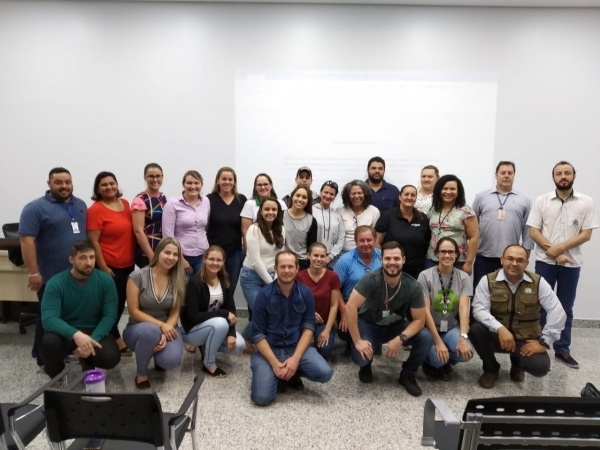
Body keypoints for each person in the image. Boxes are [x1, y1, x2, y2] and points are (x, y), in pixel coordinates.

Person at [526, 161, 598, 369]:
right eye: (559, 173)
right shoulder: (542, 201)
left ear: (574, 176)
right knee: (540, 304)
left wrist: (560, 249)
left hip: (572, 264)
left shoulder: (585, 201)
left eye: (567, 173)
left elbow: (586, 234)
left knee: (565, 307)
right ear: (553, 177)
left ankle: (562, 348)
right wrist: (555, 253)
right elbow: (533, 231)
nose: (563, 176)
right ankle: (538, 343)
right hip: (545, 262)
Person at [470, 244, 567, 389]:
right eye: (510, 258)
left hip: (525, 339)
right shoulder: (488, 280)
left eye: (520, 260)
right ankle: (491, 369)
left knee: (540, 367)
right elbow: (479, 309)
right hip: (498, 336)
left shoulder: (538, 282)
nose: (514, 263)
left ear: (526, 263)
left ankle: (517, 364)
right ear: (502, 260)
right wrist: (500, 328)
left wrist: (544, 342)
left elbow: (557, 311)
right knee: (476, 330)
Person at [19, 167, 88, 365]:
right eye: (58, 182)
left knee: (70, 316)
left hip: (77, 275)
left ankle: (65, 350)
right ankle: (43, 357)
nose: (64, 186)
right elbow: (26, 241)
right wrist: (33, 273)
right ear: (49, 184)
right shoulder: (35, 208)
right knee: (48, 316)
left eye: (67, 182)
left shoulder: (80, 204)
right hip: (51, 276)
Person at [345, 241, 432, 397]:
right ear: (381, 260)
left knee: (425, 337)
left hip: (396, 326)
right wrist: (358, 341)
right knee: (360, 357)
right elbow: (350, 307)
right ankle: (366, 366)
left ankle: (408, 373)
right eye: (388, 258)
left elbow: (419, 320)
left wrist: (400, 339)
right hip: (369, 324)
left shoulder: (413, 285)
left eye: (396, 258)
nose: (392, 262)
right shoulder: (370, 279)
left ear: (403, 260)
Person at [250, 251, 333, 406]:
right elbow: (257, 334)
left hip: (295, 348)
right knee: (262, 398)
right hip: (270, 350)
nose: (286, 271)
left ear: (297, 269)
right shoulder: (263, 295)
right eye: (282, 267)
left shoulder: (306, 293)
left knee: (325, 373)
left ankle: (291, 373)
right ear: (275, 268)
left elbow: (309, 328)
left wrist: (295, 359)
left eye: (290, 267)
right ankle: (276, 373)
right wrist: (274, 363)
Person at [39, 240, 120, 378]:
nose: (88, 262)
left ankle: (88, 361)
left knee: (110, 357)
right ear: (71, 260)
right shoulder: (55, 283)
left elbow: (110, 315)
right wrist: (76, 334)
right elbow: (48, 319)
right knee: (49, 344)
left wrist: (91, 341)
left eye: (92, 257)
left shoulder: (106, 281)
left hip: (94, 331)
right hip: (66, 333)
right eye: (83, 258)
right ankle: (56, 374)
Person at [123, 237, 186, 390]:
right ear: (158, 253)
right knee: (151, 331)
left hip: (168, 326)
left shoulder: (179, 280)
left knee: (170, 360)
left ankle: (158, 358)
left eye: (175, 254)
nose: (171, 257)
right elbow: (133, 311)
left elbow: (175, 312)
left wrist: (164, 333)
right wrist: (161, 327)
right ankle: (141, 373)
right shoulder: (137, 277)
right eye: (167, 252)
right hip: (138, 328)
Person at [87, 171, 135, 356]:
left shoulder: (125, 204)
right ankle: (114, 339)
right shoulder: (95, 210)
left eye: (112, 183)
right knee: (111, 306)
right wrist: (103, 267)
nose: (109, 187)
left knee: (121, 302)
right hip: (109, 266)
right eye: (104, 184)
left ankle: (110, 336)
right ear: (97, 189)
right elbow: (93, 242)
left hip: (128, 264)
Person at [181, 246, 246, 378]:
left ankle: (207, 345)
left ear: (223, 262)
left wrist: (231, 333)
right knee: (221, 323)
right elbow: (193, 317)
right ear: (204, 259)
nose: (215, 263)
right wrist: (223, 314)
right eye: (211, 259)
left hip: (216, 326)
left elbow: (231, 309)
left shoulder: (224, 279)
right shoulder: (195, 283)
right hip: (192, 330)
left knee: (239, 346)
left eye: (219, 260)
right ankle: (209, 364)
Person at [418, 237, 473, 381]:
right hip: (429, 328)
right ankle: (431, 363)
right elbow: (425, 311)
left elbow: (464, 309)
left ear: (456, 254)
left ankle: (445, 362)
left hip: (450, 327)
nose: (447, 255)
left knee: (466, 353)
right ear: (436, 253)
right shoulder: (425, 276)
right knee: (437, 359)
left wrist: (463, 338)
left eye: (451, 252)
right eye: (443, 251)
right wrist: (438, 342)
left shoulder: (464, 278)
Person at [472, 161, 534, 289]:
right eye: (503, 173)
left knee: (508, 293)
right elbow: (472, 225)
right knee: (481, 292)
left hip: (511, 259)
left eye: (510, 173)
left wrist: (525, 256)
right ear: (496, 175)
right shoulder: (481, 197)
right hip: (484, 256)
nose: (506, 175)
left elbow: (528, 231)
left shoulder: (524, 200)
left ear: (514, 175)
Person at [240, 197, 286, 354]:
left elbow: (279, 257)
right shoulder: (254, 229)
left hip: (272, 275)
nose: (270, 212)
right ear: (261, 211)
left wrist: (276, 278)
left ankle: (253, 337)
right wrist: (272, 284)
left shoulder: (281, 229)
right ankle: (244, 338)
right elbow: (255, 261)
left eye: (274, 209)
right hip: (251, 277)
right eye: (267, 209)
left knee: (273, 311)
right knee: (262, 312)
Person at [334, 226, 382, 355]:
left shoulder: (383, 257)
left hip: (377, 304)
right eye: (361, 240)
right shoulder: (344, 261)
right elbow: (335, 288)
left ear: (375, 240)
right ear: (356, 242)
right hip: (352, 304)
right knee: (344, 332)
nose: (366, 244)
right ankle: (354, 340)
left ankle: (374, 339)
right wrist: (344, 312)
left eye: (369, 240)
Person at [426, 174, 479, 276]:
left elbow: (474, 237)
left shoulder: (466, 210)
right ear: (439, 190)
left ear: (458, 191)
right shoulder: (433, 209)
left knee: (455, 286)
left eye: (452, 189)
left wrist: (468, 263)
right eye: (445, 188)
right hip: (433, 258)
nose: (448, 192)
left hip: (457, 260)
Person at [296, 243, 341, 361]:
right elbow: (295, 303)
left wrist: (327, 330)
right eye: (315, 255)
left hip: (323, 322)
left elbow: (334, 305)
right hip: (303, 320)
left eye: (322, 256)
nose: (319, 259)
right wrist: (309, 313)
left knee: (325, 349)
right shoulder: (299, 276)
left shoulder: (332, 276)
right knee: (294, 346)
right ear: (308, 256)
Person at [375, 185, 430, 279]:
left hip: (416, 269)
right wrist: (386, 261)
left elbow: (426, 243)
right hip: (392, 267)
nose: (409, 197)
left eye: (413, 195)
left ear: (416, 198)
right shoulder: (387, 216)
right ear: (400, 197)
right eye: (406, 194)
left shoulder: (422, 218)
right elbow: (377, 242)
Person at [206, 167, 248, 291]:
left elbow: (245, 228)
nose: (227, 182)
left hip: (234, 254)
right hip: (213, 252)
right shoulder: (208, 199)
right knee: (211, 287)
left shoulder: (242, 200)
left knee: (230, 287)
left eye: (230, 179)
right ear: (217, 181)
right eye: (224, 179)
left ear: (234, 182)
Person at [162, 170, 210, 277]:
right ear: (183, 184)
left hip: (202, 256)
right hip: (182, 256)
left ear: (201, 185)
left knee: (200, 286)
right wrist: (181, 259)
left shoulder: (206, 201)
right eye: (189, 183)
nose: (193, 186)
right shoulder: (172, 203)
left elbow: (205, 227)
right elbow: (168, 236)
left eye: (196, 183)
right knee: (182, 287)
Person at [132, 163, 167, 268]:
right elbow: (138, 231)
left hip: (162, 250)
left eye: (158, 176)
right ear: (145, 178)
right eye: (151, 176)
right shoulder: (140, 199)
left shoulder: (163, 197)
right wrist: (152, 257)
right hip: (147, 253)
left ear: (162, 177)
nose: (155, 179)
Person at [338, 180, 380, 253]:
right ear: (347, 196)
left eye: (360, 193)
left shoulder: (374, 211)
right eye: (353, 193)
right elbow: (338, 236)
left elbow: (375, 236)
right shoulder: (340, 211)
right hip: (344, 252)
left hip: (366, 252)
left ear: (365, 194)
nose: (357, 196)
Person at [283, 186, 318, 270]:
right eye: (297, 195)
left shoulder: (311, 221)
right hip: (282, 260)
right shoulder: (280, 215)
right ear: (292, 196)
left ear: (308, 201)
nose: (300, 199)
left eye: (304, 197)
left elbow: (311, 247)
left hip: (301, 263)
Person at [313, 181, 345, 269]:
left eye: (331, 194)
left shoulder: (337, 215)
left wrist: (330, 257)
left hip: (332, 260)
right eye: (326, 192)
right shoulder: (311, 211)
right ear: (320, 192)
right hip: (313, 258)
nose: (328, 196)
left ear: (335, 196)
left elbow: (341, 239)